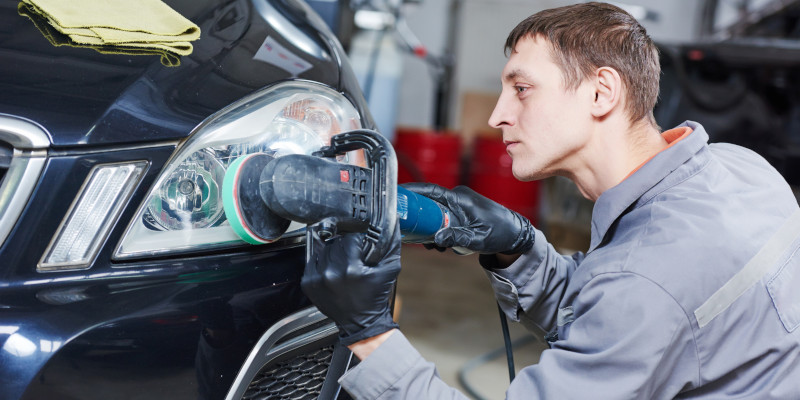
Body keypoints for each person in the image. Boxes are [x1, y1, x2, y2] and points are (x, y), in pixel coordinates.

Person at [301, 2, 800, 399]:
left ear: (601, 93)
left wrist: (370, 334)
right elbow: (622, 324)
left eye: (522, 89)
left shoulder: (647, 280)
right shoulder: (739, 167)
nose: (498, 114)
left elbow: (638, 304)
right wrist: (519, 249)